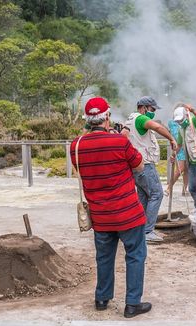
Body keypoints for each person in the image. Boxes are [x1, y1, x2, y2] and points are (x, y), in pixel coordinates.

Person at [70, 97, 151, 318]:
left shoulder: (76, 146)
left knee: (104, 257)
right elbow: (140, 166)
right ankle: (132, 304)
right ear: (106, 117)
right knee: (135, 255)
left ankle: (102, 298)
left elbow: (81, 173)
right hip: (129, 214)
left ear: (88, 120)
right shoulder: (120, 142)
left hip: (101, 216)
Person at [125, 96, 178, 242]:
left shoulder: (129, 121)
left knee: (143, 197)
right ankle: (148, 231)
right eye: (152, 109)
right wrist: (171, 139)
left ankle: (140, 230)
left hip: (136, 165)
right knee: (157, 194)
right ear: (143, 107)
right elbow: (158, 127)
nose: (153, 113)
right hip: (145, 164)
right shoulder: (140, 119)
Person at [166, 119, 188, 196]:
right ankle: (169, 188)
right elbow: (172, 135)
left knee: (187, 170)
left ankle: (184, 190)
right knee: (179, 169)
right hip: (179, 147)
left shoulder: (186, 122)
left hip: (187, 147)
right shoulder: (172, 123)